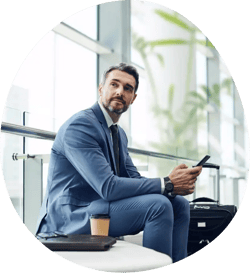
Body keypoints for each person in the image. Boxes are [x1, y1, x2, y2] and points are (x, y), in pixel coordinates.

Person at [36, 63, 202, 263]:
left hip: (99, 208)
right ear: (101, 89)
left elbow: (133, 178)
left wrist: (172, 186)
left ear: (133, 98)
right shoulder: (80, 126)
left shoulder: (118, 133)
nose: (119, 92)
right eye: (114, 85)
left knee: (179, 204)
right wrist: (166, 182)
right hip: (69, 218)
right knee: (157, 206)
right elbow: (107, 186)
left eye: (127, 88)